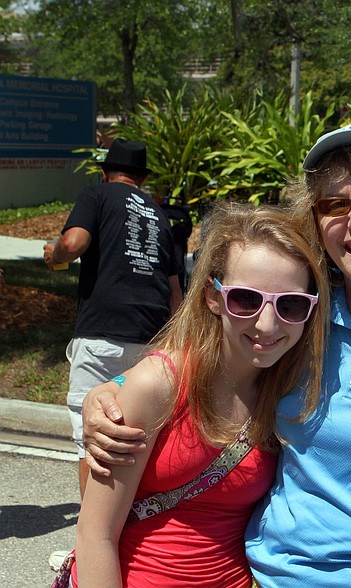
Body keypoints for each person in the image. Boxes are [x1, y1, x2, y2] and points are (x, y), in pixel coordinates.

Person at [81, 124, 351, 587]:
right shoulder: (300, 321)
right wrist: (110, 392)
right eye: (334, 204)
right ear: (314, 222)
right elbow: (191, 365)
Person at [66, 202, 328, 587]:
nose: (268, 323)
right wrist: (112, 392)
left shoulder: (289, 388)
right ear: (212, 296)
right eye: (246, 299)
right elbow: (95, 537)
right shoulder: (159, 385)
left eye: (290, 304)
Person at [42, 138, 183, 499]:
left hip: (101, 335)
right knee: (132, 444)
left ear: (106, 172)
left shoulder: (97, 195)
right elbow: (175, 294)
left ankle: (89, 548)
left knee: (91, 442)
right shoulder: (160, 215)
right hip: (151, 341)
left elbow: (73, 244)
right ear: (142, 176)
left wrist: (54, 256)